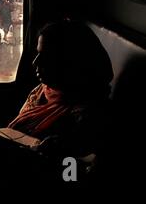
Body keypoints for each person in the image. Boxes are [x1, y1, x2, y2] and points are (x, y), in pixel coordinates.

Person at [7, 20, 114, 156]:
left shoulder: (88, 117)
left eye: (48, 57)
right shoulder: (45, 90)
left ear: (71, 62)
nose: (35, 62)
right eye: (38, 54)